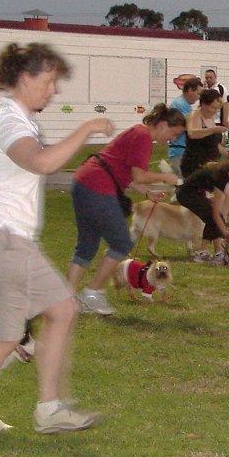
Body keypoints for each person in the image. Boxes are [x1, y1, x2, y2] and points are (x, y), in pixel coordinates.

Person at [0, 43, 114, 452]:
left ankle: (50, 409)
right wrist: (85, 129)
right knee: (4, 338)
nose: (53, 90)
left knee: (62, 309)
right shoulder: (8, 121)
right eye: (49, 81)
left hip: (14, 241)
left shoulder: (20, 121)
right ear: (25, 78)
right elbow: (41, 163)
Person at [68, 103, 186, 316]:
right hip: (97, 186)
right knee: (121, 243)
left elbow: (122, 170)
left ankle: (65, 299)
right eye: (174, 133)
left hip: (84, 182)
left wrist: (147, 193)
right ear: (162, 125)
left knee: (86, 245)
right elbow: (139, 175)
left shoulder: (137, 132)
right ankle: (92, 294)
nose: (173, 139)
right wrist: (165, 177)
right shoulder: (143, 137)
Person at [176, 160, 229, 266]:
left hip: (195, 193)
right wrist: (227, 235)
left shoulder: (226, 174)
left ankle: (212, 252)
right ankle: (209, 253)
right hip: (186, 194)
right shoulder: (221, 178)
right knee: (213, 218)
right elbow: (215, 213)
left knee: (214, 219)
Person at [180, 88, 229, 178]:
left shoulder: (210, 118)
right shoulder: (194, 115)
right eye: (212, 108)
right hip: (195, 163)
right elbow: (192, 134)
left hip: (210, 163)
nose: (215, 111)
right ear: (203, 104)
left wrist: (225, 151)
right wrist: (214, 129)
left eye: (217, 109)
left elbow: (213, 142)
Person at [167, 77, 202, 176]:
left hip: (182, 150)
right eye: (198, 94)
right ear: (190, 90)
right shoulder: (180, 104)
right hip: (179, 151)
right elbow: (190, 127)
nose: (198, 98)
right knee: (184, 181)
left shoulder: (184, 105)